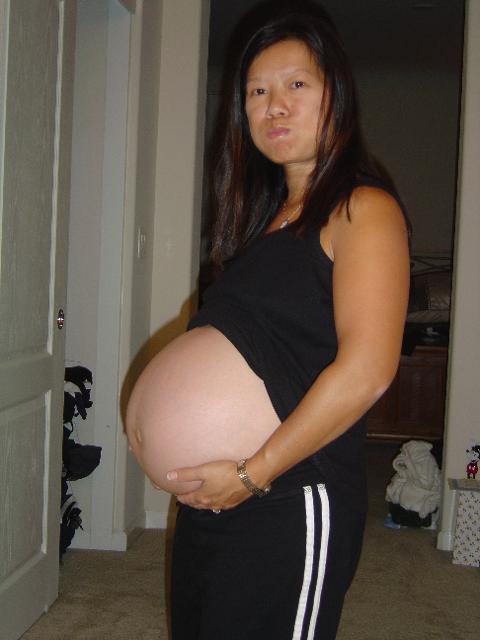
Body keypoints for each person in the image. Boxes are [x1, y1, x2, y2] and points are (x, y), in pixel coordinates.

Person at [166, 4, 410, 638]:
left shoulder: (363, 208)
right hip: (223, 496)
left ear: (337, 94)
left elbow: (367, 371)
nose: (274, 106)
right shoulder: (262, 223)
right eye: (257, 91)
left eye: (296, 84)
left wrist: (252, 475)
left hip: (289, 495)